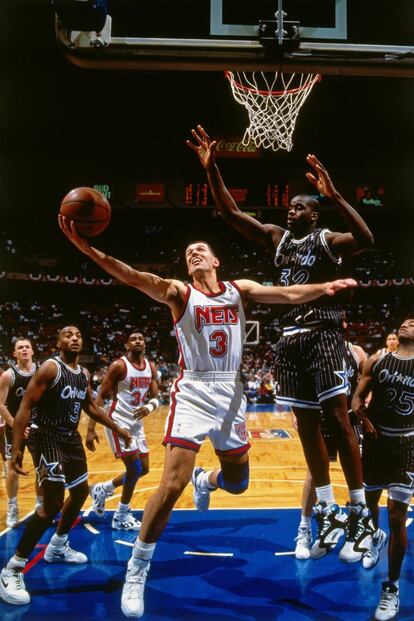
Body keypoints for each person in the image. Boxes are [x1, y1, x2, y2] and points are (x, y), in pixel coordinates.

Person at [59, 216, 357, 618]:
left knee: (238, 482)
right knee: (171, 483)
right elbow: (131, 276)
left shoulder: (240, 290)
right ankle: (138, 568)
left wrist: (325, 286)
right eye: (188, 253)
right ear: (187, 268)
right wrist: (88, 250)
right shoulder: (179, 293)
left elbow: (287, 294)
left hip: (232, 393)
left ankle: (208, 479)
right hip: (195, 390)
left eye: (201, 249)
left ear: (216, 261)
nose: (194, 252)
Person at [188, 125, 374, 562]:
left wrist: (337, 195)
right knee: (306, 424)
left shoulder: (326, 241)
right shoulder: (277, 237)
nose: (290, 211)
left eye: (299, 206)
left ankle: (360, 509)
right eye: (289, 207)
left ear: (315, 213)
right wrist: (213, 169)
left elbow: (366, 240)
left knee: (338, 416)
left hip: (324, 331)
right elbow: (233, 215)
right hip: (290, 339)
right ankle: (326, 505)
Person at [0, 325, 132, 606]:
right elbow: (24, 406)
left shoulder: (82, 374)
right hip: (46, 436)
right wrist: (18, 447)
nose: (74, 338)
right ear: (58, 341)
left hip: (69, 438)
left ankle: (57, 546)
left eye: (78, 335)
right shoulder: (50, 368)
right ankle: (12, 568)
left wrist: (117, 427)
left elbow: (90, 407)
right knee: (52, 504)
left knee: (81, 493)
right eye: (68, 335)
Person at [352, 318, 414, 621]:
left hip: (406, 446)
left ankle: (391, 587)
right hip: (376, 442)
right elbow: (356, 400)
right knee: (370, 505)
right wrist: (363, 420)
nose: (408, 322)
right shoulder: (378, 360)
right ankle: (374, 538)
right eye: (405, 321)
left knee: (397, 516)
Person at [294, 338, 367, 560]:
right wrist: (297, 414)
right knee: (314, 474)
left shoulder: (356, 352)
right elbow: (300, 383)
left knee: (361, 475)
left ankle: (364, 533)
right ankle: (304, 529)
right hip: (322, 418)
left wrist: (364, 402)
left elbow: (368, 381)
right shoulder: (313, 348)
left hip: (350, 420)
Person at [87, 330, 159, 530]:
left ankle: (103, 488)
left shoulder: (150, 367)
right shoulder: (119, 366)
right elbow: (100, 397)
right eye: (133, 339)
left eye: (141, 338)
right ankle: (121, 515)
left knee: (143, 468)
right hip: (118, 422)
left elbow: (156, 396)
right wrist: (91, 429)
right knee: (134, 469)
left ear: (145, 343)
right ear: (127, 345)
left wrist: (149, 407)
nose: (138, 341)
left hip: (136, 424)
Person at [0, 337, 43, 528]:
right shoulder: (8, 376)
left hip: (38, 426)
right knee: (12, 467)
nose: (24, 350)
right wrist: (16, 425)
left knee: (42, 466)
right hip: (15, 429)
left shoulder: (43, 371)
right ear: (14, 354)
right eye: (20, 348)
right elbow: (0, 404)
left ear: (33, 351)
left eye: (27, 347)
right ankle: (12, 507)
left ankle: (41, 504)